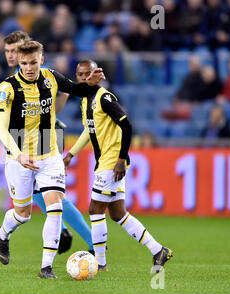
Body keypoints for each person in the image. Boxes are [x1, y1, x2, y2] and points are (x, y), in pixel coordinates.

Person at [0, 40, 104, 279]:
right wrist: (18, 154)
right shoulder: (8, 87)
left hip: (49, 154)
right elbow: (2, 130)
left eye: (33, 62)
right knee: (23, 214)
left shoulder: (51, 77)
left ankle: (46, 267)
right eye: (23, 63)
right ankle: (3, 234)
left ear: (41, 60)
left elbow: (78, 90)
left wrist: (91, 84)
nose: (29, 67)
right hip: (19, 157)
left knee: (55, 207)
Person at [64, 60, 173, 273]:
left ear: (96, 74)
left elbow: (126, 124)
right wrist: (70, 155)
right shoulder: (86, 101)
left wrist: (121, 159)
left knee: (95, 209)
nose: (84, 78)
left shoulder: (104, 97)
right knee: (117, 213)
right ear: (76, 76)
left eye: (88, 73)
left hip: (112, 161)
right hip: (106, 161)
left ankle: (100, 264)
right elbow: (89, 130)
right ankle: (158, 249)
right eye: (80, 74)